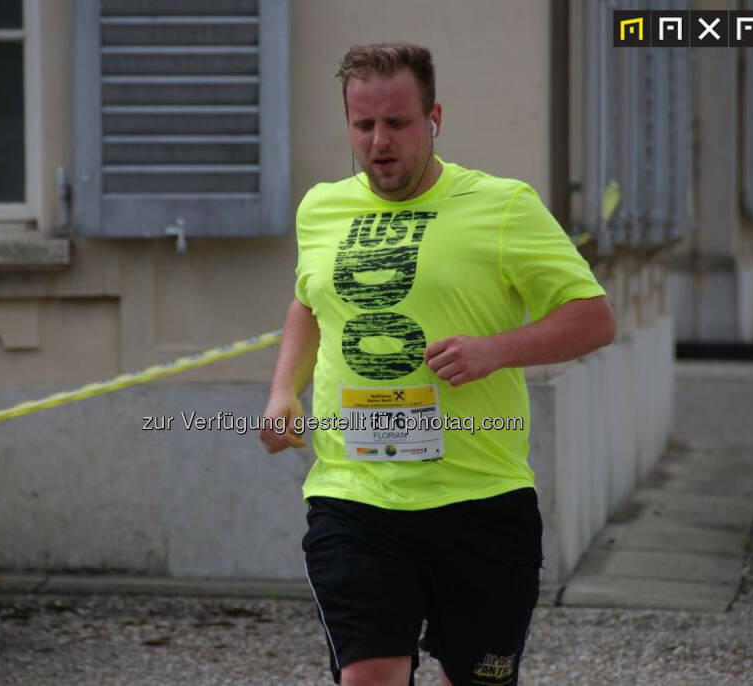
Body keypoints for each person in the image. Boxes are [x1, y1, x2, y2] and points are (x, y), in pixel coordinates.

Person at [259, 42, 615, 686]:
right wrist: (283, 390)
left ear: (434, 119)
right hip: (354, 496)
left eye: (397, 122)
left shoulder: (503, 206)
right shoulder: (321, 209)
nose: (379, 141)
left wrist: (494, 351)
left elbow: (593, 318)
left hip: (480, 501)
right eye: (363, 125)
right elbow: (309, 302)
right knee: (369, 673)